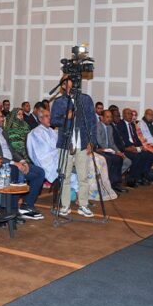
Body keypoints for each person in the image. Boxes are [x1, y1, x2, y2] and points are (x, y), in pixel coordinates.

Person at [28, 108, 117, 202]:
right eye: (47, 116)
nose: (50, 118)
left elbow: (64, 143)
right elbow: (42, 154)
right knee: (87, 165)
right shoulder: (36, 133)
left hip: (61, 156)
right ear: (40, 119)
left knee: (95, 160)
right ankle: (85, 196)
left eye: (50, 116)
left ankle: (94, 193)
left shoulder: (51, 131)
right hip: (50, 162)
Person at [0, 108, 46, 220]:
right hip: (0, 165)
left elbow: (12, 151)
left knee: (40, 172)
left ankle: (27, 205)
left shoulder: (3, 132)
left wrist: (22, 161)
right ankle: (13, 210)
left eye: (2, 116)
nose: (2, 119)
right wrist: (14, 163)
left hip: (13, 162)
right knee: (17, 172)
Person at [49, 76, 98, 217]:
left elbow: (92, 122)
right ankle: (65, 206)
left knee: (83, 177)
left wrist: (91, 141)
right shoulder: (59, 101)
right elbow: (53, 121)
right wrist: (66, 117)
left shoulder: (85, 99)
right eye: (69, 80)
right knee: (65, 177)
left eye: (74, 79)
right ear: (63, 85)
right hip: (65, 144)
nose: (73, 81)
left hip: (82, 144)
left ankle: (83, 205)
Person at [114, 108, 153, 187]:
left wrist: (141, 146)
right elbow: (122, 140)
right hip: (126, 148)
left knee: (151, 155)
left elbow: (136, 138)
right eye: (128, 114)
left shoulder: (132, 125)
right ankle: (131, 179)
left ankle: (142, 176)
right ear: (123, 115)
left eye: (131, 114)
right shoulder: (120, 125)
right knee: (138, 157)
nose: (130, 115)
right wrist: (133, 148)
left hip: (135, 147)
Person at [95, 109, 130, 192]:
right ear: (101, 118)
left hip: (108, 151)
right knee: (113, 159)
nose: (110, 119)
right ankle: (110, 184)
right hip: (99, 150)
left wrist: (118, 152)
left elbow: (112, 143)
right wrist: (112, 152)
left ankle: (115, 183)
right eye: (107, 117)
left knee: (120, 158)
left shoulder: (110, 127)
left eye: (110, 117)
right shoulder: (97, 126)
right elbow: (100, 142)